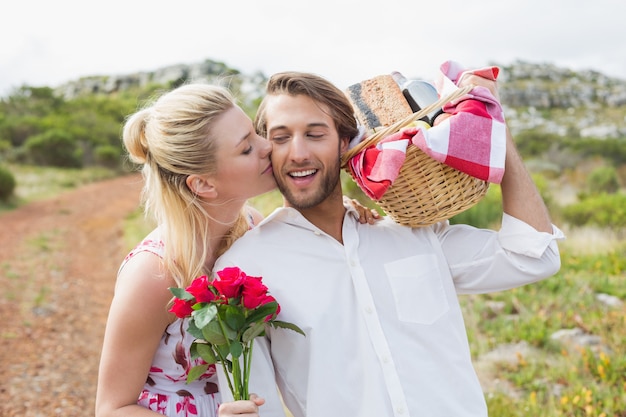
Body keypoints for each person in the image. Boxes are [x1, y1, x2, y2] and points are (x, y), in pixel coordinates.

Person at [213, 71, 565, 417]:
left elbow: (536, 256)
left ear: (345, 143)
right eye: (281, 137)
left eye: (315, 134)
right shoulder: (244, 269)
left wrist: (494, 124)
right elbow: (257, 403)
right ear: (265, 151)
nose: (298, 153)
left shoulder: (415, 232)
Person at [95, 81, 381, 417]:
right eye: (246, 149)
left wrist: (341, 212)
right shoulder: (154, 273)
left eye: (255, 133)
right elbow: (112, 408)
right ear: (203, 183)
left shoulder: (251, 226)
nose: (267, 147)